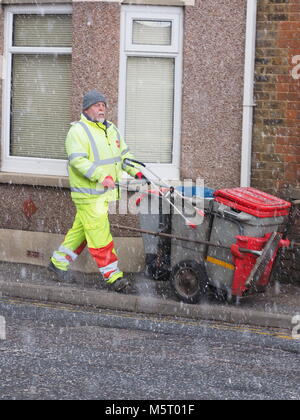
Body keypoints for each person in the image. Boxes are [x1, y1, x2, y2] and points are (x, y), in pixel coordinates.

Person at [48, 90, 146, 292]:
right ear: (86, 109)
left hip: (104, 194)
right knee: (100, 235)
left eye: (104, 105)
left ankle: (58, 264)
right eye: (96, 105)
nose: (101, 108)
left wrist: (136, 172)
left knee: (82, 231)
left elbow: (124, 155)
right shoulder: (78, 131)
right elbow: (78, 160)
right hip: (88, 195)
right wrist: (102, 176)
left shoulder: (111, 130)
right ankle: (113, 276)